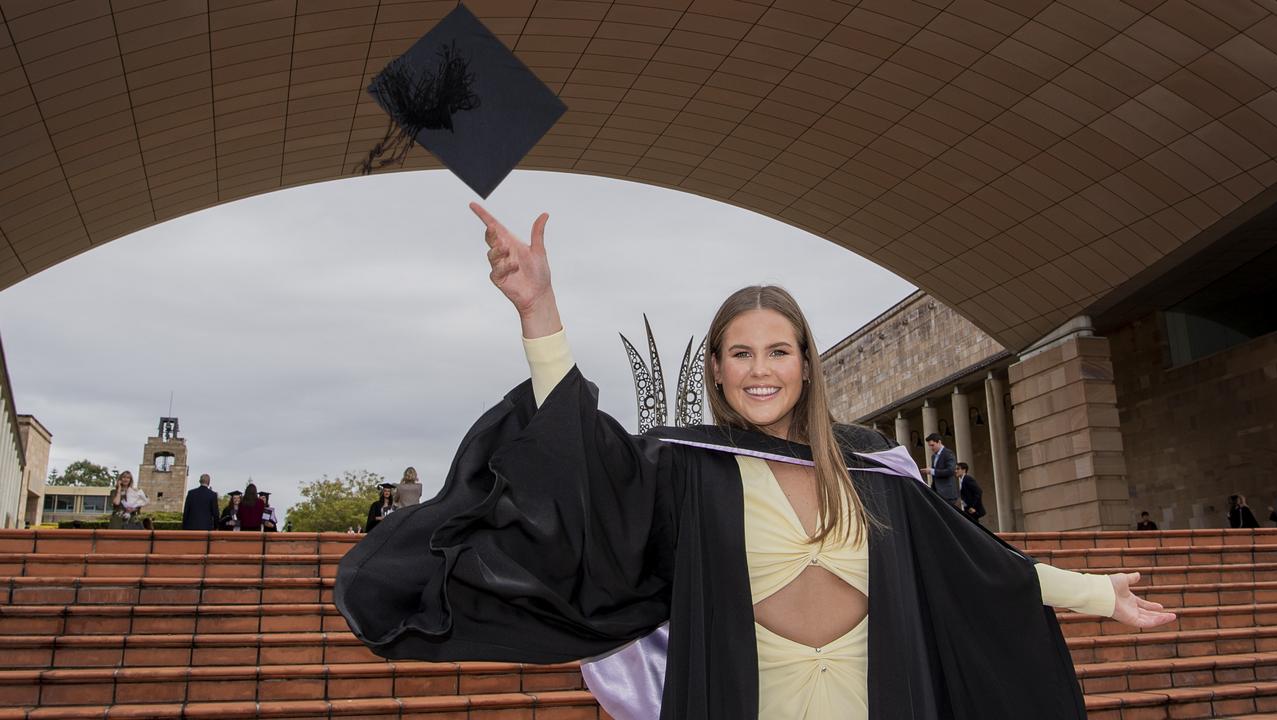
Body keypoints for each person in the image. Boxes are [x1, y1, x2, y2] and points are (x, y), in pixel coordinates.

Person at [335, 205, 1176, 720]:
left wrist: (1103, 595)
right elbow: (587, 474)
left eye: (778, 350)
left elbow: (976, 566)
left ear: (807, 362)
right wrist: (541, 310)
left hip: (873, 698)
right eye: (741, 353)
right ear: (716, 368)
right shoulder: (690, 469)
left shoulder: (874, 468)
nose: (761, 369)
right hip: (746, 699)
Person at [920, 433, 959, 508]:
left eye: (932, 445)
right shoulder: (933, 456)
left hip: (948, 494)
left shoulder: (948, 453)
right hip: (938, 493)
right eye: (929, 446)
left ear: (939, 442)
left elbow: (950, 470)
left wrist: (932, 471)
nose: (931, 448)